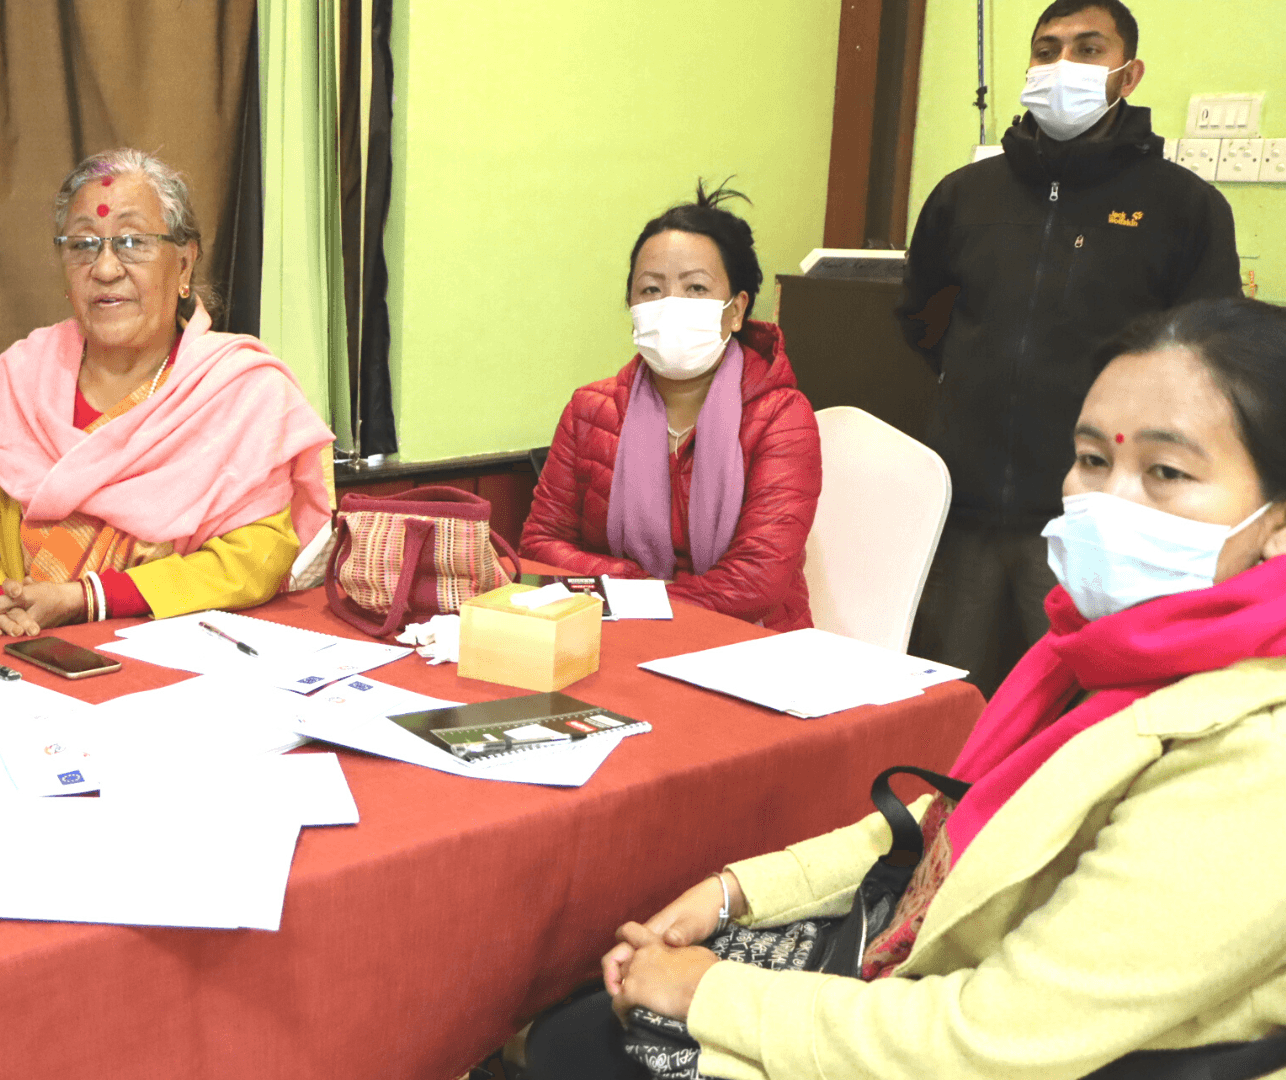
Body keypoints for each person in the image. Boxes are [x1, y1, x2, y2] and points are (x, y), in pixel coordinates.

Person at [519, 296, 1286, 1080]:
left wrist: (706, 992)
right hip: (936, 967)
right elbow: (953, 825)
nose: (1108, 502)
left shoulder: (1258, 758)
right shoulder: (1097, 660)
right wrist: (733, 892)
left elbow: (993, 1039)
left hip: (998, 1048)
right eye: (1092, 459)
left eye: (1166, 472)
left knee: (582, 1049)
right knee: (586, 1011)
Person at [899, 0, 1240, 697]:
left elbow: (1203, 358)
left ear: (1128, 74)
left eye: (1088, 49)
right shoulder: (965, 195)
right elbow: (923, 318)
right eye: (1047, 48)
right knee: (951, 703)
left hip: (1100, 517)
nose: (1062, 65)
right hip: (961, 510)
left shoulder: (1184, 206)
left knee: (1070, 705)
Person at [0, 148, 334, 640]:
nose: (105, 268)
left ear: (185, 264)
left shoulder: (238, 391)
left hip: (175, 650)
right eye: (83, 244)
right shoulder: (24, 384)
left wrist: (89, 599)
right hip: (23, 652)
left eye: (132, 242)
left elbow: (257, 555)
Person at [521, 183, 821, 631]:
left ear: (736, 310)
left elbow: (755, 583)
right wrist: (631, 582)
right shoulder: (589, 410)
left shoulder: (782, 417)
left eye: (696, 287)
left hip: (749, 644)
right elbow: (540, 544)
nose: (670, 305)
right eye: (651, 289)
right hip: (614, 636)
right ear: (631, 306)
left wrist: (629, 594)